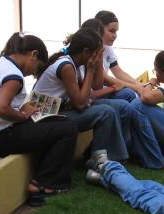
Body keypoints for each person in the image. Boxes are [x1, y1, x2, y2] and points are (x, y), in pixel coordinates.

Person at [0, 32, 78, 207]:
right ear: (33, 55)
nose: (33, 73)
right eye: (37, 67)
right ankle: (44, 185)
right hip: (0, 138)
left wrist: (23, 110)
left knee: (62, 123)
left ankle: (44, 178)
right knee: (68, 130)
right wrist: (22, 115)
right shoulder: (14, 76)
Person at [34, 28, 130, 162]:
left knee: (120, 106)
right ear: (86, 52)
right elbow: (80, 104)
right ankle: (103, 160)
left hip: (60, 109)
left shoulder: (76, 65)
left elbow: (87, 95)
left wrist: (94, 73)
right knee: (106, 112)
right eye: (97, 54)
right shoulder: (66, 66)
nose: (98, 59)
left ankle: (106, 156)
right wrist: (90, 70)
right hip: (44, 116)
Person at [94, 10, 142, 102]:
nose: (115, 35)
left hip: (101, 90)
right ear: (99, 29)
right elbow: (105, 78)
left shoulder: (107, 48)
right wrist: (136, 87)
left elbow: (118, 72)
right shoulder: (92, 49)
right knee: (129, 94)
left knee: (131, 94)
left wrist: (141, 85)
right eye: (112, 31)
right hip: (93, 93)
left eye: (116, 32)